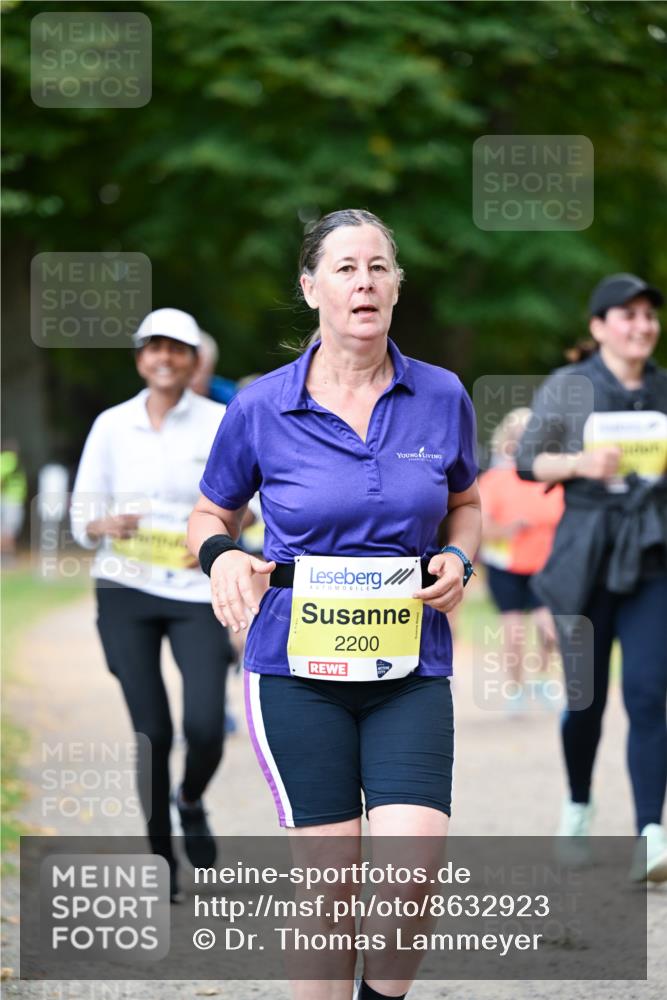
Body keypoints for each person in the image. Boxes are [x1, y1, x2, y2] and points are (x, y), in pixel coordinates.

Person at [188, 209, 481, 1000]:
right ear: (311, 287)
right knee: (329, 890)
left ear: (395, 286)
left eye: (379, 267)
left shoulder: (441, 395)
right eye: (346, 268)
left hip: (409, 664)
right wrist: (221, 558)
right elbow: (210, 512)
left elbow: (466, 504)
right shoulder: (260, 404)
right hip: (295, 669)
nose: (365, 282)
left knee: (411, 878)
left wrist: (457, 555)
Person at [71, 308, 234, 901]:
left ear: (194, 360)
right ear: (140, 357)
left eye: (177, 349)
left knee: (206, 728)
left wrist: (221, 541)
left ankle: (189, 799)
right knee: (153, 732)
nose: (164, 357)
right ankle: (161, 854)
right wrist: (103, 521)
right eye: (153, 348)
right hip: (126, 590)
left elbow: (256, 503)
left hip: (195, 590)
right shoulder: (112, 426)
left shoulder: (222, 421)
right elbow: (81, 517)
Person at [516, 273, 667, 881]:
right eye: (626, 315)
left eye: (648, 316)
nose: (641, 325)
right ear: (599, 326)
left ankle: (650, 835)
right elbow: (529, 461)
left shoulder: (663, 389)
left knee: (651, 692)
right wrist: (581, 462)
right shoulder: (570, 387)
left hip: (652, 554)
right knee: (586, 701)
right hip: (584, 558)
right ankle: (578, 802)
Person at [478, 408, 564, 713]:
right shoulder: (494, 480)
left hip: (544, 565)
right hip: (506, 566)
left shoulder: (551, 477)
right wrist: (508, 528)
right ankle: (515, 690)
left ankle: (542, 678)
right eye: (517, 436)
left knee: (548, 627)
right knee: (514, 633)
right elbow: (480, 528)